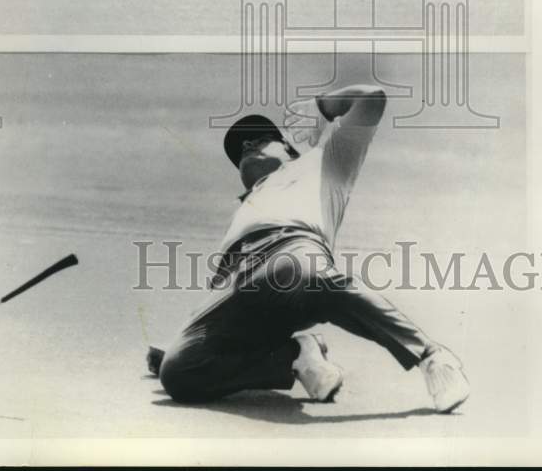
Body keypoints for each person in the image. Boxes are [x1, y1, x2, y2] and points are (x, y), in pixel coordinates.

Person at [146, 86, 471, 412]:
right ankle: (295, 357)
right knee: (177, 374)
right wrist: (184, 344)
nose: (247, 147)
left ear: (289, 148)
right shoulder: (244, 208)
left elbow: (372, 98)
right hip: (239, 281)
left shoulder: (324, 163)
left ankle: (432, 357)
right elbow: (215, 299)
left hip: (294, 255)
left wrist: (324, 107)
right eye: (241, 149)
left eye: (259, 139)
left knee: (300, 269)